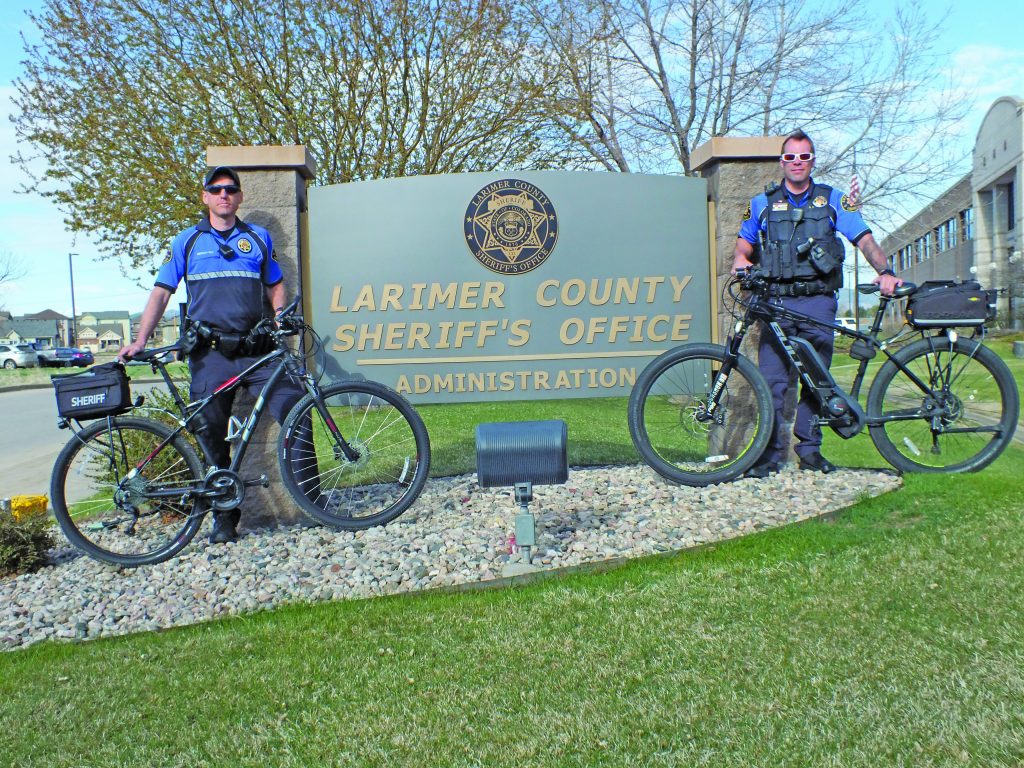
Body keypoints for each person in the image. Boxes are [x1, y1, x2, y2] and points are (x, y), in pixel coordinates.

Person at [119, 166, 311, 543]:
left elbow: (275, 283)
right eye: (216, 189)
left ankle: (314, 499)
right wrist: (140, 339)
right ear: (205, 197)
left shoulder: (258, 238)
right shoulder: (186, 242)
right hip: (210, 357)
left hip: (258, 351)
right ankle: (224, 519)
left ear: (239, 197)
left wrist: (277, 318)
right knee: (211, 440)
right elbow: (161, 293)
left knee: (298, 410)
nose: (224, 195)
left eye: (231, 189)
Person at [732, 130, 902, 478]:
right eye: (791, 157)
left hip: (818, 303)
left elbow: (865, 240)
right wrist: (742, 267)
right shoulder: (761, 203)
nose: (797, 162)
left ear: (812, 161)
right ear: (782, 162)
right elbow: (742, 250)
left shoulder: (835, 200)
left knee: (816, 382)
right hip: (776, 304)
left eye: (804, 156)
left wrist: (885, 270)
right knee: (773, 382)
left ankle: (810, 452)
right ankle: (769, 455)